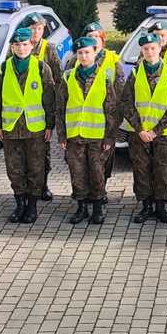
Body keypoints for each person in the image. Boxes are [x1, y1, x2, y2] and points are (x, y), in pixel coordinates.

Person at [0, 27, 55, 224]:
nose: (21, 48)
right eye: (17, 45)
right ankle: (19, 204)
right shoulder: (4, 68)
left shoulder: (41, 67)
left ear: (31, 45)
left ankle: (32, 206)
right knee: (15, 168)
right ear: (12, 47)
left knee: (35, 168)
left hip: (35, 129)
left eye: (25, 44)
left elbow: (49, 98)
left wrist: (49, 125)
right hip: (11, 128)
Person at [57, 36, 122, 225]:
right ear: (76, 55)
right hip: (74, 135)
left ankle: (97, 208)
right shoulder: (68, 76)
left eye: (87, 52)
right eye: (80, 53)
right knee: (77, 173)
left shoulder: (104, 77)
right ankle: (81, 207)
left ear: (95, 53)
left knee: (97, 173)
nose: (84, 56)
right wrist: (61, 134)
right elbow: (60, 107)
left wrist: (110, 137)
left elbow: (112, 109)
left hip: (97, 136)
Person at [122, 33, 167, 223]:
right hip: (139, 134)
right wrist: (140, 129)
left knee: (162, 170)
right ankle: (146, 206)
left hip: (163, 134)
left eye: (153, 48)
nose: (149, 52)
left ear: (159, 49)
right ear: (142, 51)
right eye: (146, 49)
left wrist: (156, 130)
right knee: (141, 170)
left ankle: (161, 207)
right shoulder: (134, 73)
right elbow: (126, 102)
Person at [24, 12, 63, 202]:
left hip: (42, 107)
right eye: (33, 29)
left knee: (43, 150)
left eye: (39, 28)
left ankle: (43, 185)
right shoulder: (17, 46)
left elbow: (58, 78)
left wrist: (53, 110)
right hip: (23, 111)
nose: (36, 32)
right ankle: (27, 188)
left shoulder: (49, 49)